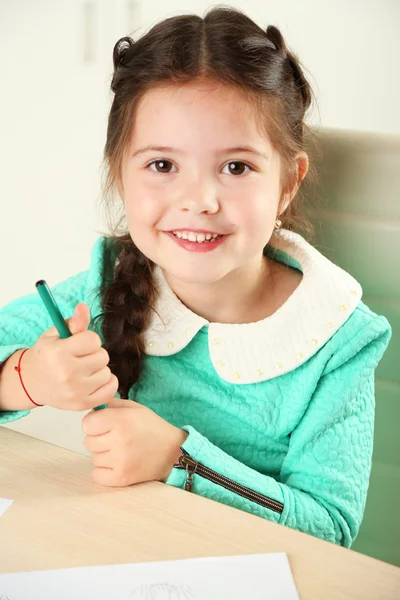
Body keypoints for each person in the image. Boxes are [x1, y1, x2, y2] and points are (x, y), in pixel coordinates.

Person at [0, 7, 392, 548]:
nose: (199, 202)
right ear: (120, 173)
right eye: (163, 165)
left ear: (287, 184)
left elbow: (330, 527)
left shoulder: (337, 338)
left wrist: (177, 457)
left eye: (236, 167)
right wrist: (25, 378)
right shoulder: (107, 280)